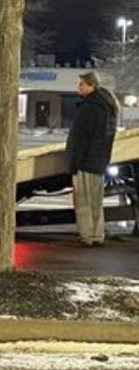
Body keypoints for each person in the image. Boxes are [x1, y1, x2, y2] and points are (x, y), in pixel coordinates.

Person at [65, 71, 119, 247]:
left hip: (86, 161)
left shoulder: (88, 108)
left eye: (82, 84)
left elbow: (79, 139)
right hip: (100, 161)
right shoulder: (108, 106)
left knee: (84, 202)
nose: (78, 87)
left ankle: (87, 235)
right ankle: (97, 234)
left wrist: (73, 163)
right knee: (96, 201)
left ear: (92, 85)